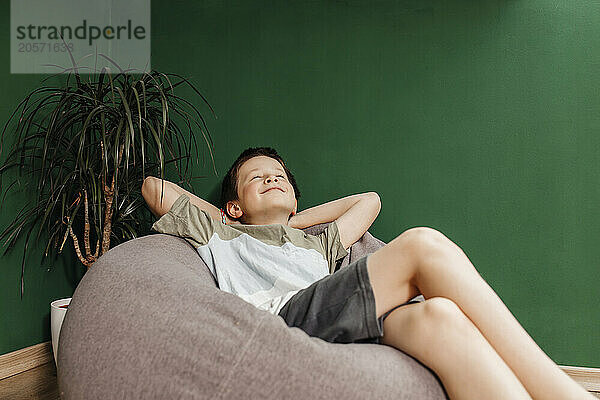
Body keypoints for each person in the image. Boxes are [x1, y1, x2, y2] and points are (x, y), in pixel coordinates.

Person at [142, 146, 592, 400]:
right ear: (234, 205)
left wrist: (290, 221)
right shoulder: (220, 234)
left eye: (279, 176)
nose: (271, 179)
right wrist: (233, 222)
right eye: (257, 179)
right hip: (279, 322)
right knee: (421, 245)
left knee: (439, 318)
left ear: (297, 202)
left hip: (330, 316)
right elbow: (153, 188)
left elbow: (369, 201)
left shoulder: (317, 242)